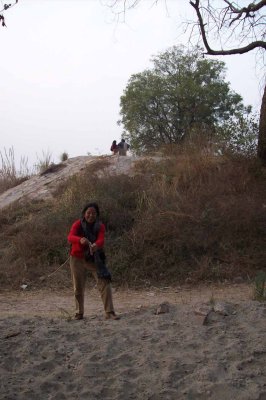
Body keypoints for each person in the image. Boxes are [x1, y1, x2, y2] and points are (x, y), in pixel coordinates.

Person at [68, 202, 120, 320]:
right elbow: (70, 237)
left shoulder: (100, 226)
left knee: (104, 282)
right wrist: (80, 239)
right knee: (78, 286)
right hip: (77, 258)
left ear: (97, 215)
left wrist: (96, 245)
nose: (91, 215)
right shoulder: (77, 224)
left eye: (93, 213)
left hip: (93, 258)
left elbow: (101, 240)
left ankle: (109, 312)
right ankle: (79, 313)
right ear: (84, 214)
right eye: (88, 213)